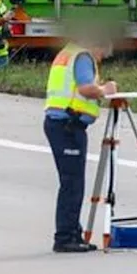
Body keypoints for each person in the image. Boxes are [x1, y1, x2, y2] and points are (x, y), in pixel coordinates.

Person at [42, 33, 118, 253]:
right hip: (67, 124)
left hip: (63, 123)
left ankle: (73, 231)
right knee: (72, 183)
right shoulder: (83, 57)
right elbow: (86, 88)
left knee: (72, 182)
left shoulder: (68, 52)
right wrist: (105, 90)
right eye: (102, 55)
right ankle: (65, 236)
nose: (100, 60)